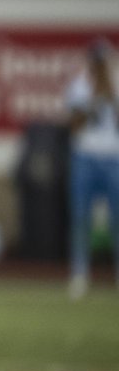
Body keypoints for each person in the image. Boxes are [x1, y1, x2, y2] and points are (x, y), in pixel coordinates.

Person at [65, 39, 119, 299]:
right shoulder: (79, 87)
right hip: (85, 156)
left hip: (113, 157)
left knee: (116, 219)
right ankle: (80, 273)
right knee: (81, 217)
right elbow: (73, 126)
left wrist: (110, 96)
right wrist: (92, 103)